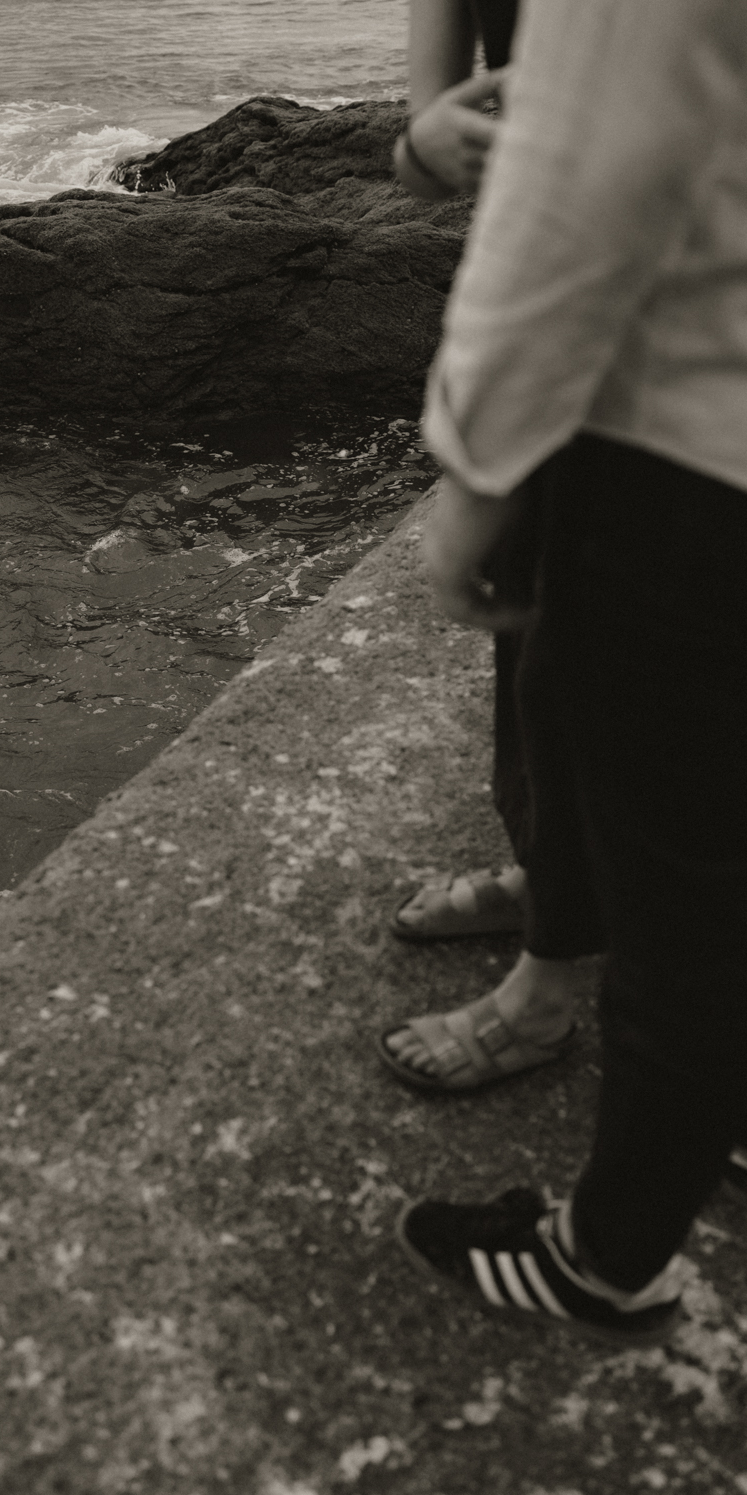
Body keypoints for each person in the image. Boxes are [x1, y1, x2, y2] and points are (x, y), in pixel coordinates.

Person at [389, 0, 747, 1343]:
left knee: (685, 870)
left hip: (691, 440)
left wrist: (476, 468)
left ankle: (606, 1258)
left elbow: (595, 151)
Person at [383, 0, 595, 1097]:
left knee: (628, 654)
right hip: (561, 289)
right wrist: (424, 124)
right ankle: (555, 880)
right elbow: (440, 145)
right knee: (537, 644)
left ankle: (550, 991)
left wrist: (480, 464)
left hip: (659, 322)